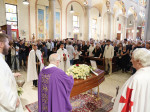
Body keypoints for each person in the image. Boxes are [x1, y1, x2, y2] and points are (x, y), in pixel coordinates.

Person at [0, 33, 23, 111]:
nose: (9, 46)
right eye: (7, 43)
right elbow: (2, 89)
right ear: (1, 44)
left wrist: (12, 74)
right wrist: (13, 101)